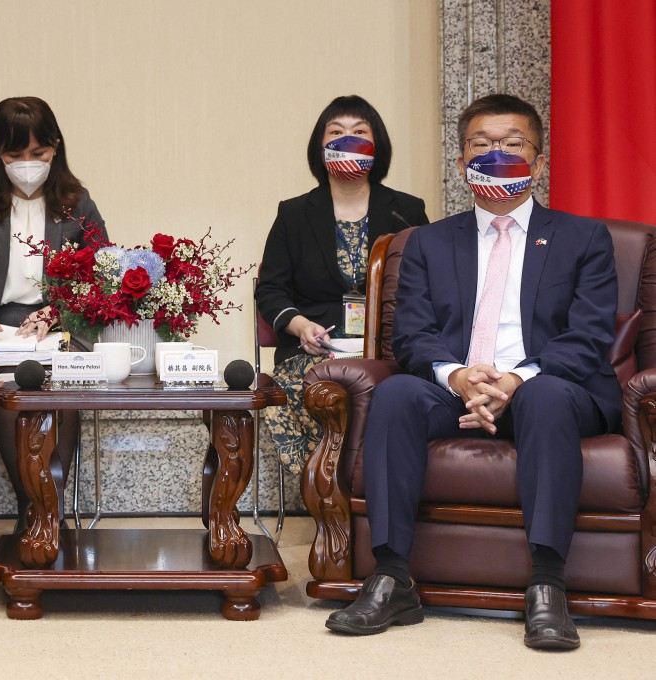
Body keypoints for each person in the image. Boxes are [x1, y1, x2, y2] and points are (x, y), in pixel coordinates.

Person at [325, 94, 619, 651]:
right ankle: (391, 576)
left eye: (512, 145)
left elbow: (588, 336)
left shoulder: (584, 239)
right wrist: (459, 378)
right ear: (461, 162)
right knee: (396, 396)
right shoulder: (429, 242)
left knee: (547, 397)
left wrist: (516, 380)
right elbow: (410, 334)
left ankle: (548, 585)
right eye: (481, 146)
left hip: (550, 388)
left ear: (539, 161)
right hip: (457, 386)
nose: (496, 154)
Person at [0, 96, 106, 530]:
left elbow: (99, 277)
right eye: (15, 155)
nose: (28, 164)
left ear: (55, 147)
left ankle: (49, 510)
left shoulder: (78, 203)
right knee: (11, 384)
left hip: (58, 328)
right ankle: (31, 510)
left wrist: (57, 312)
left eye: (38, 154)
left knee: (66, 382)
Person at [256, 95, 428, 474]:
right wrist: (300, 326)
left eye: (359, 133)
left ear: (376, 146)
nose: (347, 140)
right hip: (314, 351)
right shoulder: (295, 213)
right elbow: (270, 290)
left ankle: (376, 492)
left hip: (387, 350)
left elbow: (430, 286)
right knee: (311, 389)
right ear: (321, 147)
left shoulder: (407, 210)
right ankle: (330, 499)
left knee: (402, 392)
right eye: (337, 133)